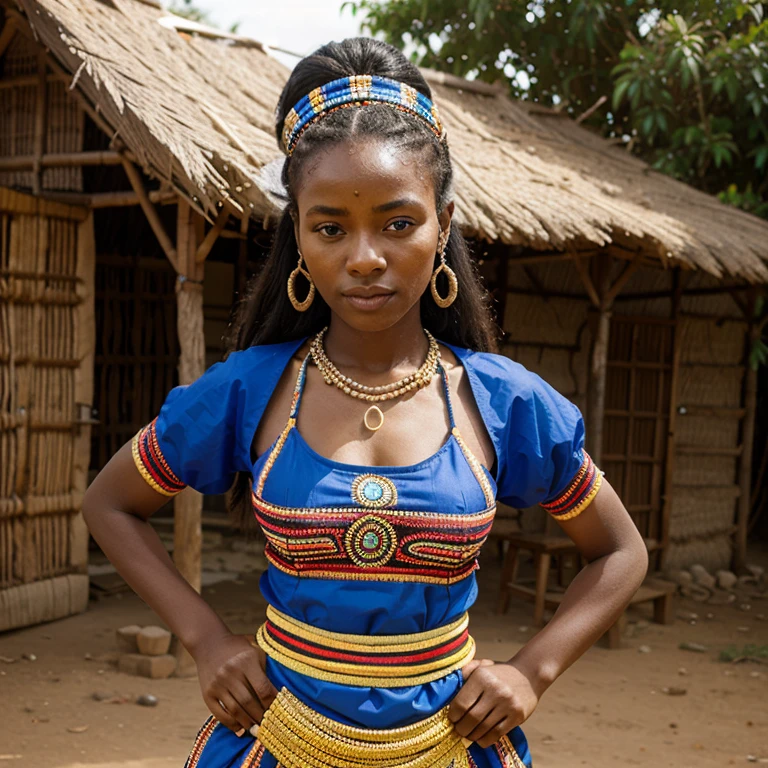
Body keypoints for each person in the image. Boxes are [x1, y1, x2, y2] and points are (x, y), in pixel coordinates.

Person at [82, 37, 648, 768]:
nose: (365, 257)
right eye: (330, 228)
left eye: (398, 222)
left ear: (443, 223)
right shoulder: (250, 390)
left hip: (447, 748)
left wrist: (529, 671)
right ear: (298, 237)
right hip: (276, 746)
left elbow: (620, 552)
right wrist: (206, 638)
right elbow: (110, 502)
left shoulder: (503, 402)